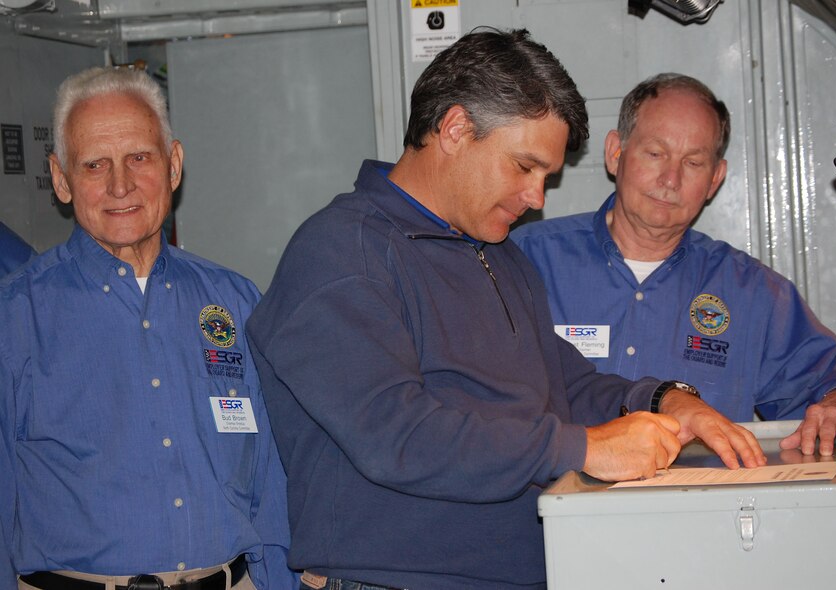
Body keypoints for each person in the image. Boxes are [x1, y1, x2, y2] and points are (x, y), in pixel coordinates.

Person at [247, 30, 765, 590]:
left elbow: (564, 380)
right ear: (455, 129)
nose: (538, 197)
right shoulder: (343, 252)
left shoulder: (497, 254)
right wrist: (586, 447)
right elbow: (398, 436)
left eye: (547, 176)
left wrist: (663, 401)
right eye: (524, 167)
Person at [0, 67, 296, 590]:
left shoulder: (235, 301)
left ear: (173, 165)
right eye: (95, 164)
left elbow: (271, 473)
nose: (121, 184)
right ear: (62, 178)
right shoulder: (17, 317)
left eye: (139, 157)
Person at [512, 72, 836, 457]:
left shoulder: (752, 293)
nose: (670, 179)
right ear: (615, 152)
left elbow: (831, 380)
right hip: (555, 507)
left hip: (700, 508)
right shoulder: (525, 260)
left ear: (715, 180)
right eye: (655, 153)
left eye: (693, 162)